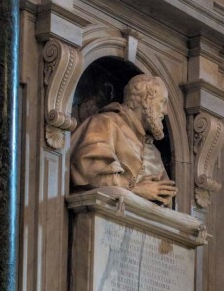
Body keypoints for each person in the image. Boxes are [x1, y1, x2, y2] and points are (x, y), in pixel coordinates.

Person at [70, 74, 177, 206]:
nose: (165, 111)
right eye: (162, 103)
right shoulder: (104, 123)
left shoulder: (154, 152)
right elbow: (88, 173)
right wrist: (135, 189)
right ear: (145, 100)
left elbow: (165, 200)